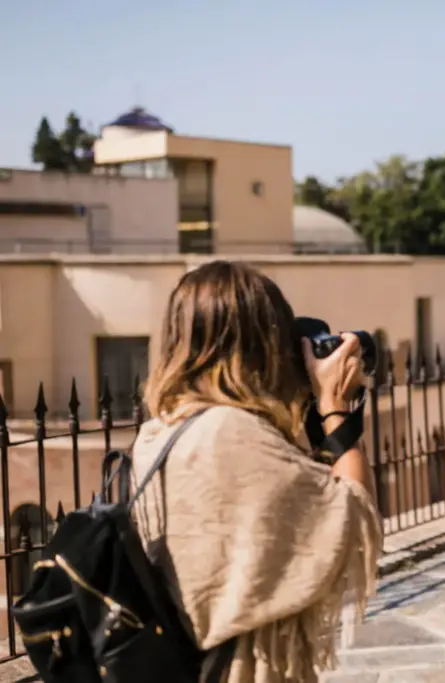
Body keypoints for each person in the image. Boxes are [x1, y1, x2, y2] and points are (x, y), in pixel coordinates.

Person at [132, 260, 383, 683]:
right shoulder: (231, 433)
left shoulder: (161, 429)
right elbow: (355, 518)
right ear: (262, 345)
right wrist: (335, 406)